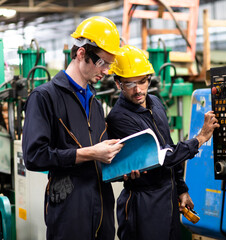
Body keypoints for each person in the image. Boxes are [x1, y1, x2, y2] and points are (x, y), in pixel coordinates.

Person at [22, 16, 124, 240]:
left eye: (109, 64)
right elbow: (34, 156)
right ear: (81, 54)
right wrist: (90, 153)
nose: (106, 71)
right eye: (102, 63)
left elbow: (100, 162)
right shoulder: (44, 97)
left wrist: (125, 168)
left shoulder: (96, 104)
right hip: (70, 216)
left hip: (103, 218)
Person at [106, 45, 220, 240]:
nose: (138, 89)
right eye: (129, 84)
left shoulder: (155, 103)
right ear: (118, 83)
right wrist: (200, 138)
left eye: (142, 82)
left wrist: (182, 189)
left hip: (168, 195)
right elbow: (161, 158)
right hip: (143, 202)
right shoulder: (118, 118)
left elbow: (168, 145)